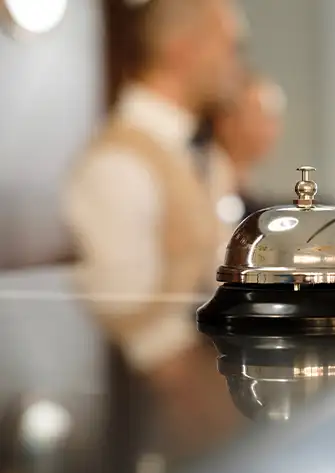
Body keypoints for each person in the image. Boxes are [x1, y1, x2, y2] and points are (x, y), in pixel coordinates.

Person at [64, 0, 242, 376]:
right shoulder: (118, 163)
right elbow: (121, 310)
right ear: (182, 48)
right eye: (229, 45)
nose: (236, 63)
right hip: (147, 390)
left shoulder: (206, 155)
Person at [210, 72, 287, 220]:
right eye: (263, 115)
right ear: (226, 121)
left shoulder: (247, 196)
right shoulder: (209, 182)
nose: (273, 129)